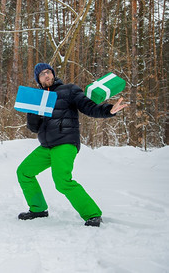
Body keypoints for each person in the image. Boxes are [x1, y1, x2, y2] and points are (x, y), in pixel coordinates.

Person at [16, 63, 128, 227]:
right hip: (47, 145)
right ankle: (38, 209)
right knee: (24, 172)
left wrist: (108, 110)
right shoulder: (39, 97)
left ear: (53, 74)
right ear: (38, 80)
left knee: (62, 180)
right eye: (42, 74)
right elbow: (34, 128)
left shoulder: (69, 90)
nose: (46, 75)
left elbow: (88, 107)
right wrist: (32, 110)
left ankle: (92, 214)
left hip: (65, 142)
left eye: (48, 72)